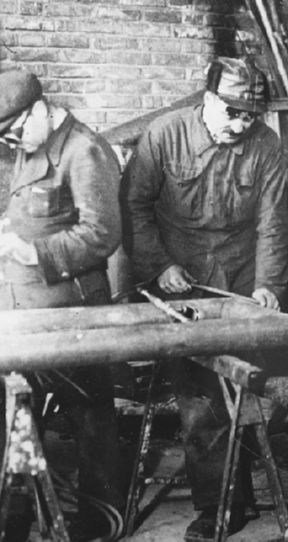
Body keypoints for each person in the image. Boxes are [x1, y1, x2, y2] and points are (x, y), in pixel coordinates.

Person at [120, 56, 288, 541]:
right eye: (232, 112)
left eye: (251, 116)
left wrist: (268, 285)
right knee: (201, 400)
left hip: (238, 278)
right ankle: (220, 507)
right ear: (208, 100)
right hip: (181, 280)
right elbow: (133, 207)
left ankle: (238, 496)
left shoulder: (267, 146)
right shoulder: (164, 134)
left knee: (237, 390)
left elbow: (273, 221)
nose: (241, 125)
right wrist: (159, 266)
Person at [0, 70, 123, 541]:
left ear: (40, 109)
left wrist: (37, 253)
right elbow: (32, 211)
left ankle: (100, 518)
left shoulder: (85, 151)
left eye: (15, 131)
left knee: (89, 415)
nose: (14, 143)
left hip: (72, 309)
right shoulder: (31, 144)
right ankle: (14, 516)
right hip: (26, 306)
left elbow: (103, 235)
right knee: (15, 408)